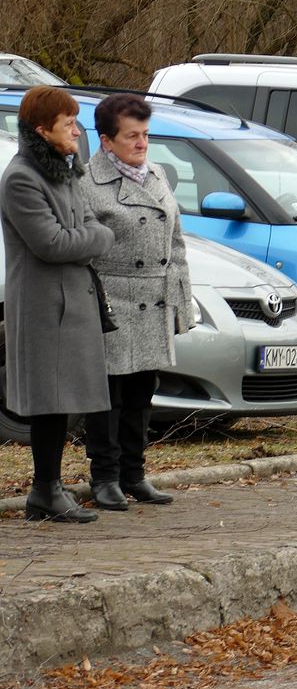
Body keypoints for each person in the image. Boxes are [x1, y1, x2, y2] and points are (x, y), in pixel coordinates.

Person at [3, 86, 115, 523]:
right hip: (43, 305)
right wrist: (93, 239)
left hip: (72, 302)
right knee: (48, 400)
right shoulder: (21, 178)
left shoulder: (64, 172)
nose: (77, 130)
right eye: (68, 123)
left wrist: (88, 238)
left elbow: (89, 227)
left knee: (63, 399)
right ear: (41, 129)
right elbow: (51, 243)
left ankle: (49, 488)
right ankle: (44, 490)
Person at [79, 93, 195, 511]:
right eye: (132, 136)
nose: (142, 143)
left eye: (145, 134)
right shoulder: (87, 184)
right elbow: (83, 248)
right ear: (106, 140)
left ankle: (134, 473)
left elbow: (176, 244)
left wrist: (181, 303)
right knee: (107, 398)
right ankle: (104, 477)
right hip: (112, 301)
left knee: (141, 396)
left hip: (154, 299)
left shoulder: (157, 174)